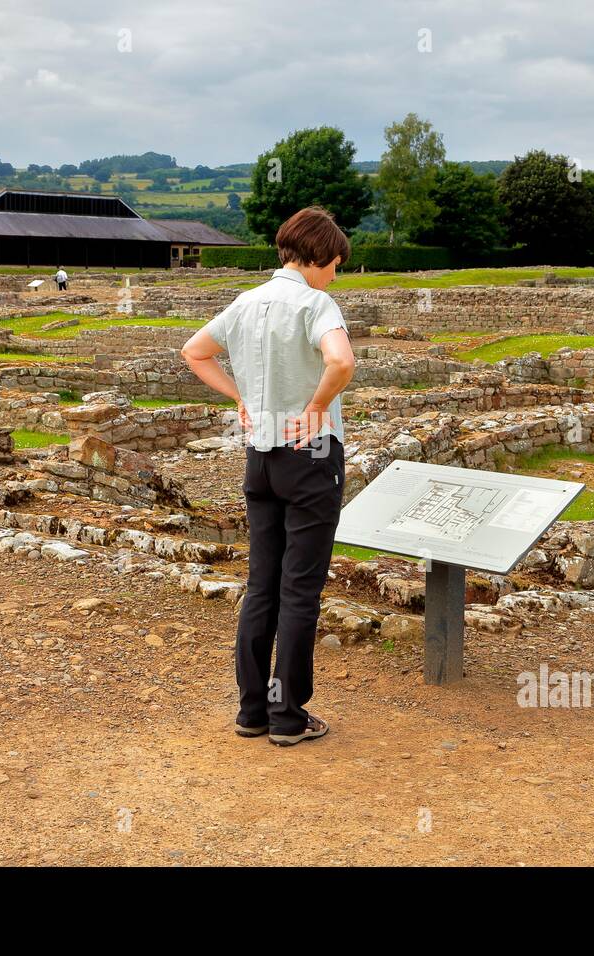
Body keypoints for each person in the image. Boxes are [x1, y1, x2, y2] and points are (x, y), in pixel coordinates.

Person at [180, 206, 355, 747]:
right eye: (335, 266)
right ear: (320, 256)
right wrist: (318, 405)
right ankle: (288, 716)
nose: (335, 276)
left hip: (260, 457)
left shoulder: (246, 302)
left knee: (262, 586)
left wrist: (240, 397)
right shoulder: (315, 302)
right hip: (310, 455)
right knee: (300, 590)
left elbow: (195, 352)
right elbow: (342, 361)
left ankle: (253, 710)